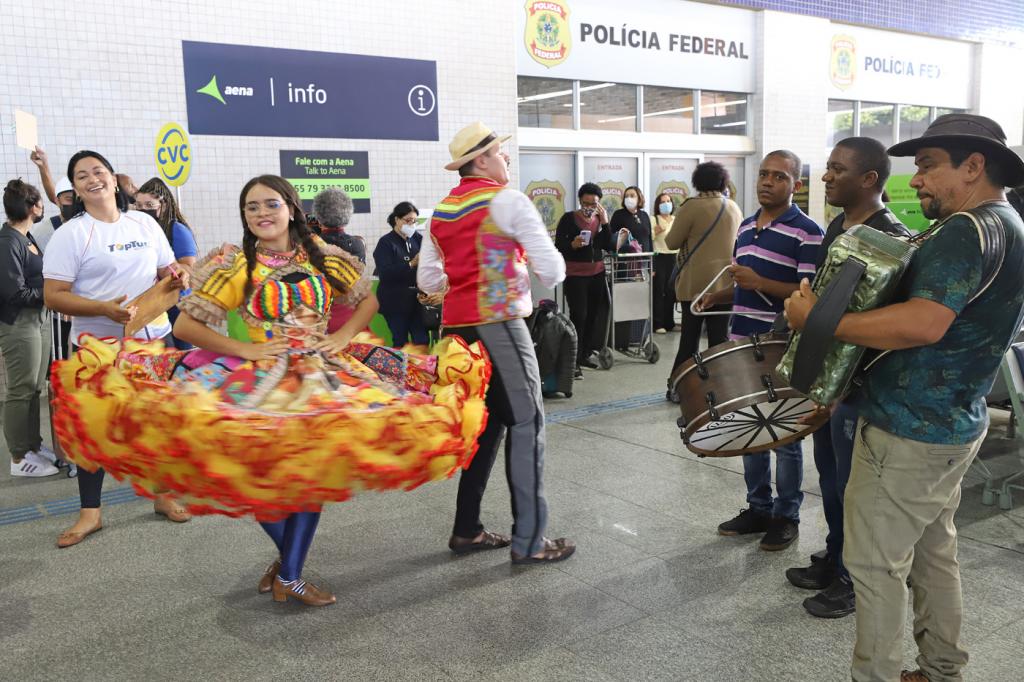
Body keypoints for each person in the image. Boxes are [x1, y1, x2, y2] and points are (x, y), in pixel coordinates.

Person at [786, 114, 1024, 682]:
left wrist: (817, 319)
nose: (914, 181)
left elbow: (924, 323)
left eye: (927, 166)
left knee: (873, 565)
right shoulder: (1010, 223)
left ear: (973, 166)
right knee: (934, 554)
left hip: (908, 429)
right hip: (955, 422)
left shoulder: (964, 230)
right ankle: (941, 668)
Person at [173, 175, 381, 607]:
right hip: (262, 382)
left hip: (320, 378)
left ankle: (289, 573)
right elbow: (186, 326)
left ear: (291, 208)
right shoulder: (237, 266)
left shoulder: (322, 255)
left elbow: (367, 301)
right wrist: (245, 349)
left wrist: (342, 337)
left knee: (310, 480)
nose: (261, 213)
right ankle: (290, 568)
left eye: (271, 204)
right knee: (258, 480)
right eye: (251, 207)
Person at [419, 121, 575, 563]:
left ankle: (467, 529)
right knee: (528, 423)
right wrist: (515, 266)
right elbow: (553, 271)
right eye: (500, 152)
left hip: (456, 333)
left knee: (484, 427)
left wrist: (464, 278)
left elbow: (428, 279)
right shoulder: (508, 201)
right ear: (482, 160)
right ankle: (530, 540)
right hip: (501, 324)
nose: (506, 158)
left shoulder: (442, 212)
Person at [784, 137, 911, 620]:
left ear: (869, 179)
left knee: (853, 488)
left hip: (858, 388)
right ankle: (836, 556)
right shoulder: (838, 227)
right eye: (828, 167)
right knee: (831, 478)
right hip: (829, 381)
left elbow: (881, 326)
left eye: (837, 169)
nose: (825, 176)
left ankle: (853, 581)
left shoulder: (892, 239)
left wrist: (843, 387)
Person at [42, 150, 192, 547]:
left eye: (98, 171)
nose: (93, 179)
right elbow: (54, 295)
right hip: (98, 348)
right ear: (75, 189)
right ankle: (90, 513)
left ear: (112, 177)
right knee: (93, 429)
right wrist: (103, 309)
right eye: (82, 176)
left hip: (153, 341)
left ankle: (164, 495)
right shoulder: (71, 234)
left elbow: (166, 269)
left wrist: (177, 275)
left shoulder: (144, 222)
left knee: (158, 422)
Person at [697, 150, 823, 551]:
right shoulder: (747, 226)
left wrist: (759, 282)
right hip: (740, 343)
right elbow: (743, 283)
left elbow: (807, 295)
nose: (768, 181)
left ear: (796, 185)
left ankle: (786, 516)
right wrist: (718, 296)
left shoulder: (808, 232)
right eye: (764, 174)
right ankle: (758, 508)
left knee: (784, 435)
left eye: (779, 176)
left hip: (779, 346)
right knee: (748, 428)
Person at [665, 162, 743, 396]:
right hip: (725, 285)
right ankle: (718, 390)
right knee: (719, 340)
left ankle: (678, 388)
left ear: (697, 182)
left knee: (689, 340)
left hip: (695, 286)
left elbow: (671, 242)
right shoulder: (733, 207)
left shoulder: (691, 207)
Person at [0, 179, 59, 477]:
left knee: (35, 387)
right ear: (32, 207)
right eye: (40, 202)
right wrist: (50, 294)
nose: (42, 207)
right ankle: (18, 456)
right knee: (20, 389)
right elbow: (13, 292)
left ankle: (32, 444)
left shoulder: (27, 237)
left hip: (39, 318)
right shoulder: (8, 241)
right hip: (19, 322)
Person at [555, 183, 613, 372]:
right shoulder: (568, 219)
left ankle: (584, 354)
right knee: (579, 315)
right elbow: (559, 245)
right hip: (575, 275)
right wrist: (572, 245)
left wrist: (605, 223)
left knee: (593, 315)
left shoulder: (600, 220)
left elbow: (609, 245)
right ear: (580, 201)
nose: (589, 207)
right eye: (585, 203)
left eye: (593, 204)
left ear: (599, 204)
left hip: (597, 273)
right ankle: (572, 359)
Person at [135, 178, 199, 350]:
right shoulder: (138, 231)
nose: (143, 210)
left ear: (163, 206)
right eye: (139, 205)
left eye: (149, 205)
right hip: (155, 303)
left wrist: (164, 267)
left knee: (182, 352)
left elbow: (189, 268)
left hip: (177, 302)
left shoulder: (176, 229)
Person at [312, 188, 373, 335]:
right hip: (351, 313)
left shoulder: (310, 246)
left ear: (318, 217)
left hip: (318, 313)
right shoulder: (358, 244)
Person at [374, 202, 429, 347]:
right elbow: (385, 274)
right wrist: (411, 264)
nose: (412, 224)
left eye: (415, 221)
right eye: (408, 220)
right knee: (401, 342)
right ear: (397, 220)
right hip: (394, 301)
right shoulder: (386, 243)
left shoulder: (417, 239)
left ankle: (422, 363)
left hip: (416, 301)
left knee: (422, 340)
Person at [609, 186, 653, 350]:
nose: (629, 198)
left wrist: (652, 265)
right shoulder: (619, 215)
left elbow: (649, 239)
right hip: (625, 266)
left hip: (644, 265)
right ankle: (622, 339)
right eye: (626, 195)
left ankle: (640, 337)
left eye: (632, 195)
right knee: (626, 300)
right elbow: (612, 239)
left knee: (641, 300)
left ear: (639, 197)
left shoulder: (644, 215)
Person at [651, 192, 678, 333]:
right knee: (659, 291)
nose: (666, 204)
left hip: (674, 257)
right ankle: (658, 324)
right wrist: (655, 232)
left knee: (671, 291)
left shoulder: (676, 219)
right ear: (658, 205)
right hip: (659, 256)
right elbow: (648, 238)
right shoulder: (654, 219)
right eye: (662, 202)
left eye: (668, 201)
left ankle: (669, 322)